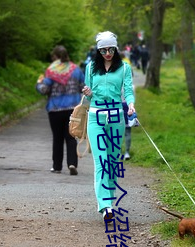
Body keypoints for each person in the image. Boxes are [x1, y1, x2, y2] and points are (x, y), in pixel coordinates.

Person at [82, 31, 135, 222]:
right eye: (103, 50)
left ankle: (109, 200)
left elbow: (128, 90)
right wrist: (87, 92)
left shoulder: (124, 68)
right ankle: (105, 205)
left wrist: (130, 104)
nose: (107, 53)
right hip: (95, 117)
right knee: (101, 162)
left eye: (111, 49)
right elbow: (88, 96)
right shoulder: (90, 68)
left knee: (112, 162)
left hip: (116, 118)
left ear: (116, 48)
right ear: (98, 50)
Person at [36, 45, 85, 175]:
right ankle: (72, 163)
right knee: (71, 137)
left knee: (57, 138)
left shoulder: (51, 71)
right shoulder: (76, 70)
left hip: (55, 109)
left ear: (55, 57)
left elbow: (44, 90)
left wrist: (39, 83)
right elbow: (83, 87)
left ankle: (57, 166)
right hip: (72, 109)